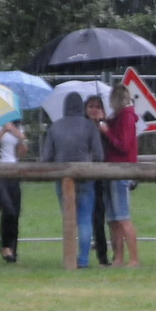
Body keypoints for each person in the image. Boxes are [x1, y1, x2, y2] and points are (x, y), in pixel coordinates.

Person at [41, 91, 105, 268]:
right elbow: (99, 155)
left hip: (62, 178)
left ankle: (69, 256)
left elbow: (46, 157)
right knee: (85, 219)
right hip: (85, 177)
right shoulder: (89, 127)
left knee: (69, 218)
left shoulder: (55, 127)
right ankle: (83, 260)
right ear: (81, 107)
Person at [99, 82, 140, 267]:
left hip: (121, 171)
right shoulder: (117, 117)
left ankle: (133, 258)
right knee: (113, 219)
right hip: (110, 171)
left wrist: (107, 131)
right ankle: (118, 257)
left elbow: (123, 145)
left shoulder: (127, 117)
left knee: (123, 217)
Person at [0, 119, 27, 263]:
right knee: (8, 210)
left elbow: (22, 153)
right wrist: (3, 131)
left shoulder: (18, 126)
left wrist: (20, 136)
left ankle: (13, 249)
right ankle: (5, 246)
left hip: (14, 171)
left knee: (16, 212)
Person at [85, 96, 113, 265]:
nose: (94, 110)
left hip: (102, 177)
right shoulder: (81, 128)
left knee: (100, 217)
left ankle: (103, 256)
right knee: (86, 216)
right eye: (90, 106)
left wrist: (104, 131)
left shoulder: (107, 128)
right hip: (86, 175)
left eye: (97, 107)